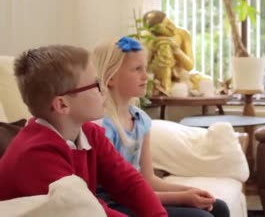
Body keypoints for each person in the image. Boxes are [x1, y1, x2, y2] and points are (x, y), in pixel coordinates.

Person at [0, 45, 167, 217]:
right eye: (96, 84)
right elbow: (89, 211)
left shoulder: (90, 132)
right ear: (62, 104)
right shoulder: (36, 156)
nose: (104, 90)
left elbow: (128, 181)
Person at [93, 36, 230, 217]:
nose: (145, 76)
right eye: (137, 69)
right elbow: (120, 193)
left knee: (219, 207)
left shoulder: (140, 119)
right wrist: (182, 198)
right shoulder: (102, 127)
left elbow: (149, 179)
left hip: (137, 196)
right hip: (115, 204)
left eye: (145, 68)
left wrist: (190, 191)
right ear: (111, 78)